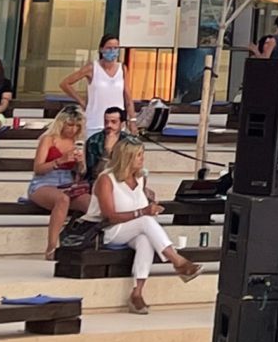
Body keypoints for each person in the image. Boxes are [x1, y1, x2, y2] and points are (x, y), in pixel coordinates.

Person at [96, 137, 200, 313]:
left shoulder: (140, 179)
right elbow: (110, 216)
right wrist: (142, 212)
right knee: (145, 221)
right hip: (109, 230)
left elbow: (139, 206)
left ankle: (137, 294)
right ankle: (177, 261)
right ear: (127, 157)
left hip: (134, 229)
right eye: (138, 155)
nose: (142, 159)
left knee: (145, 240)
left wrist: (149, 206)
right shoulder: (106, 179)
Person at [28, 107, 88, 261]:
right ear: (61, 123)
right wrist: (59, 161)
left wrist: (80, 163)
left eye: (77, 126)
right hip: (44, 182)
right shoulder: (48, 139)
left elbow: (80, 173)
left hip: (68, 182)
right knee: (62, 199)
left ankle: (82, 243)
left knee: (92, 203)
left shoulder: (77, 142)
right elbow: (38, 168)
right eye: (70, 125)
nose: (73, 129)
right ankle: (52, 247)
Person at [61, 36, 131, 155]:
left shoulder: (122, 69)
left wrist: (132, 119)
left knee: (115, 156)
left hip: (117, 122)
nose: (113, 51)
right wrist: (82, 101)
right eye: (109, 48)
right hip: (95, 121)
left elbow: (127, 95)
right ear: (101, 49)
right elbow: (65, 83)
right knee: (93, 156)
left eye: (116, 48)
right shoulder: (92, 68)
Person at [84, 104, 130, 185]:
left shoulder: (128, 141)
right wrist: (107, 152)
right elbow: (94, 173)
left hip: (123, 181)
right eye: (106, 122)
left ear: (122, 124)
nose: (109, 125)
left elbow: (130, 169)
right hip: (98, 183)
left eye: (113, 122)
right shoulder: (93, 141)